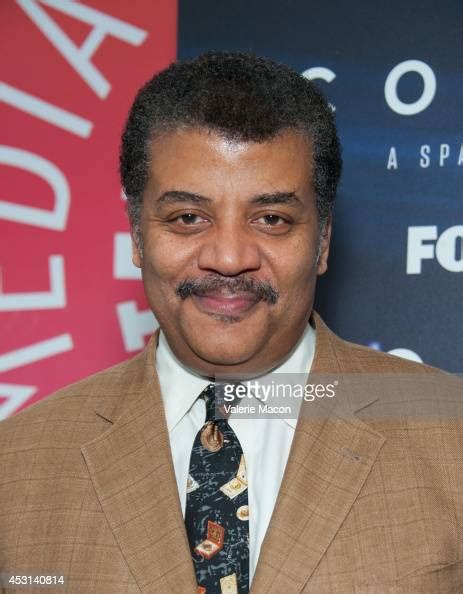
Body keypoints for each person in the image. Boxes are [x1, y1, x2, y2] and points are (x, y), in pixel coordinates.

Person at [0, 51, 462, 594]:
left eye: (271, 219)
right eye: (188, 218)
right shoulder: (18, 462)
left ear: (323, 240)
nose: (227, 256)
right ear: (136, 235)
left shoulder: (451, 436)